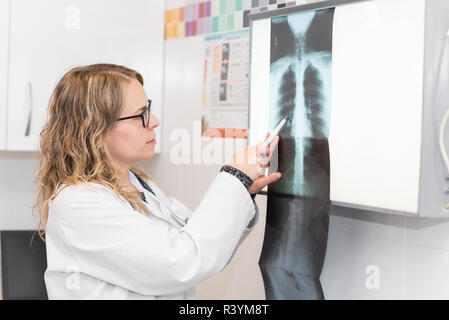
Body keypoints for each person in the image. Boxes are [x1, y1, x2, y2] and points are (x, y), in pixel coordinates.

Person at [33, 63, 281, 300]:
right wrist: (234, 175)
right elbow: (182, 262)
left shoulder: (139, 185)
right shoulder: (78, 204)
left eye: (148, 109)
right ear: (95, 130)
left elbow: (199, 244)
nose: (154, 122)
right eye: (141, 114)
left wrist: (240, 193)